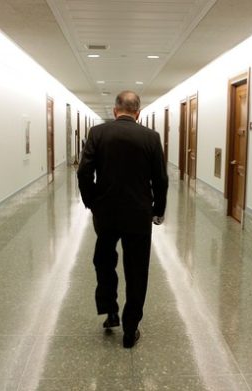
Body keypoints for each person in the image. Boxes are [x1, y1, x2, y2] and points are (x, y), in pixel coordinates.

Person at [77, 91, 168, 348]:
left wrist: (91, 201)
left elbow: (84, 172)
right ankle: (130, 329)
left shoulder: (98, 133)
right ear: (137, 113)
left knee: (104, 262)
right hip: (138, 214)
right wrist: (158, 210)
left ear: (116, 110)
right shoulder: (151, 137)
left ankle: (111, 312)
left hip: (105, 214)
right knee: (137, 270)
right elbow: (160, 179)